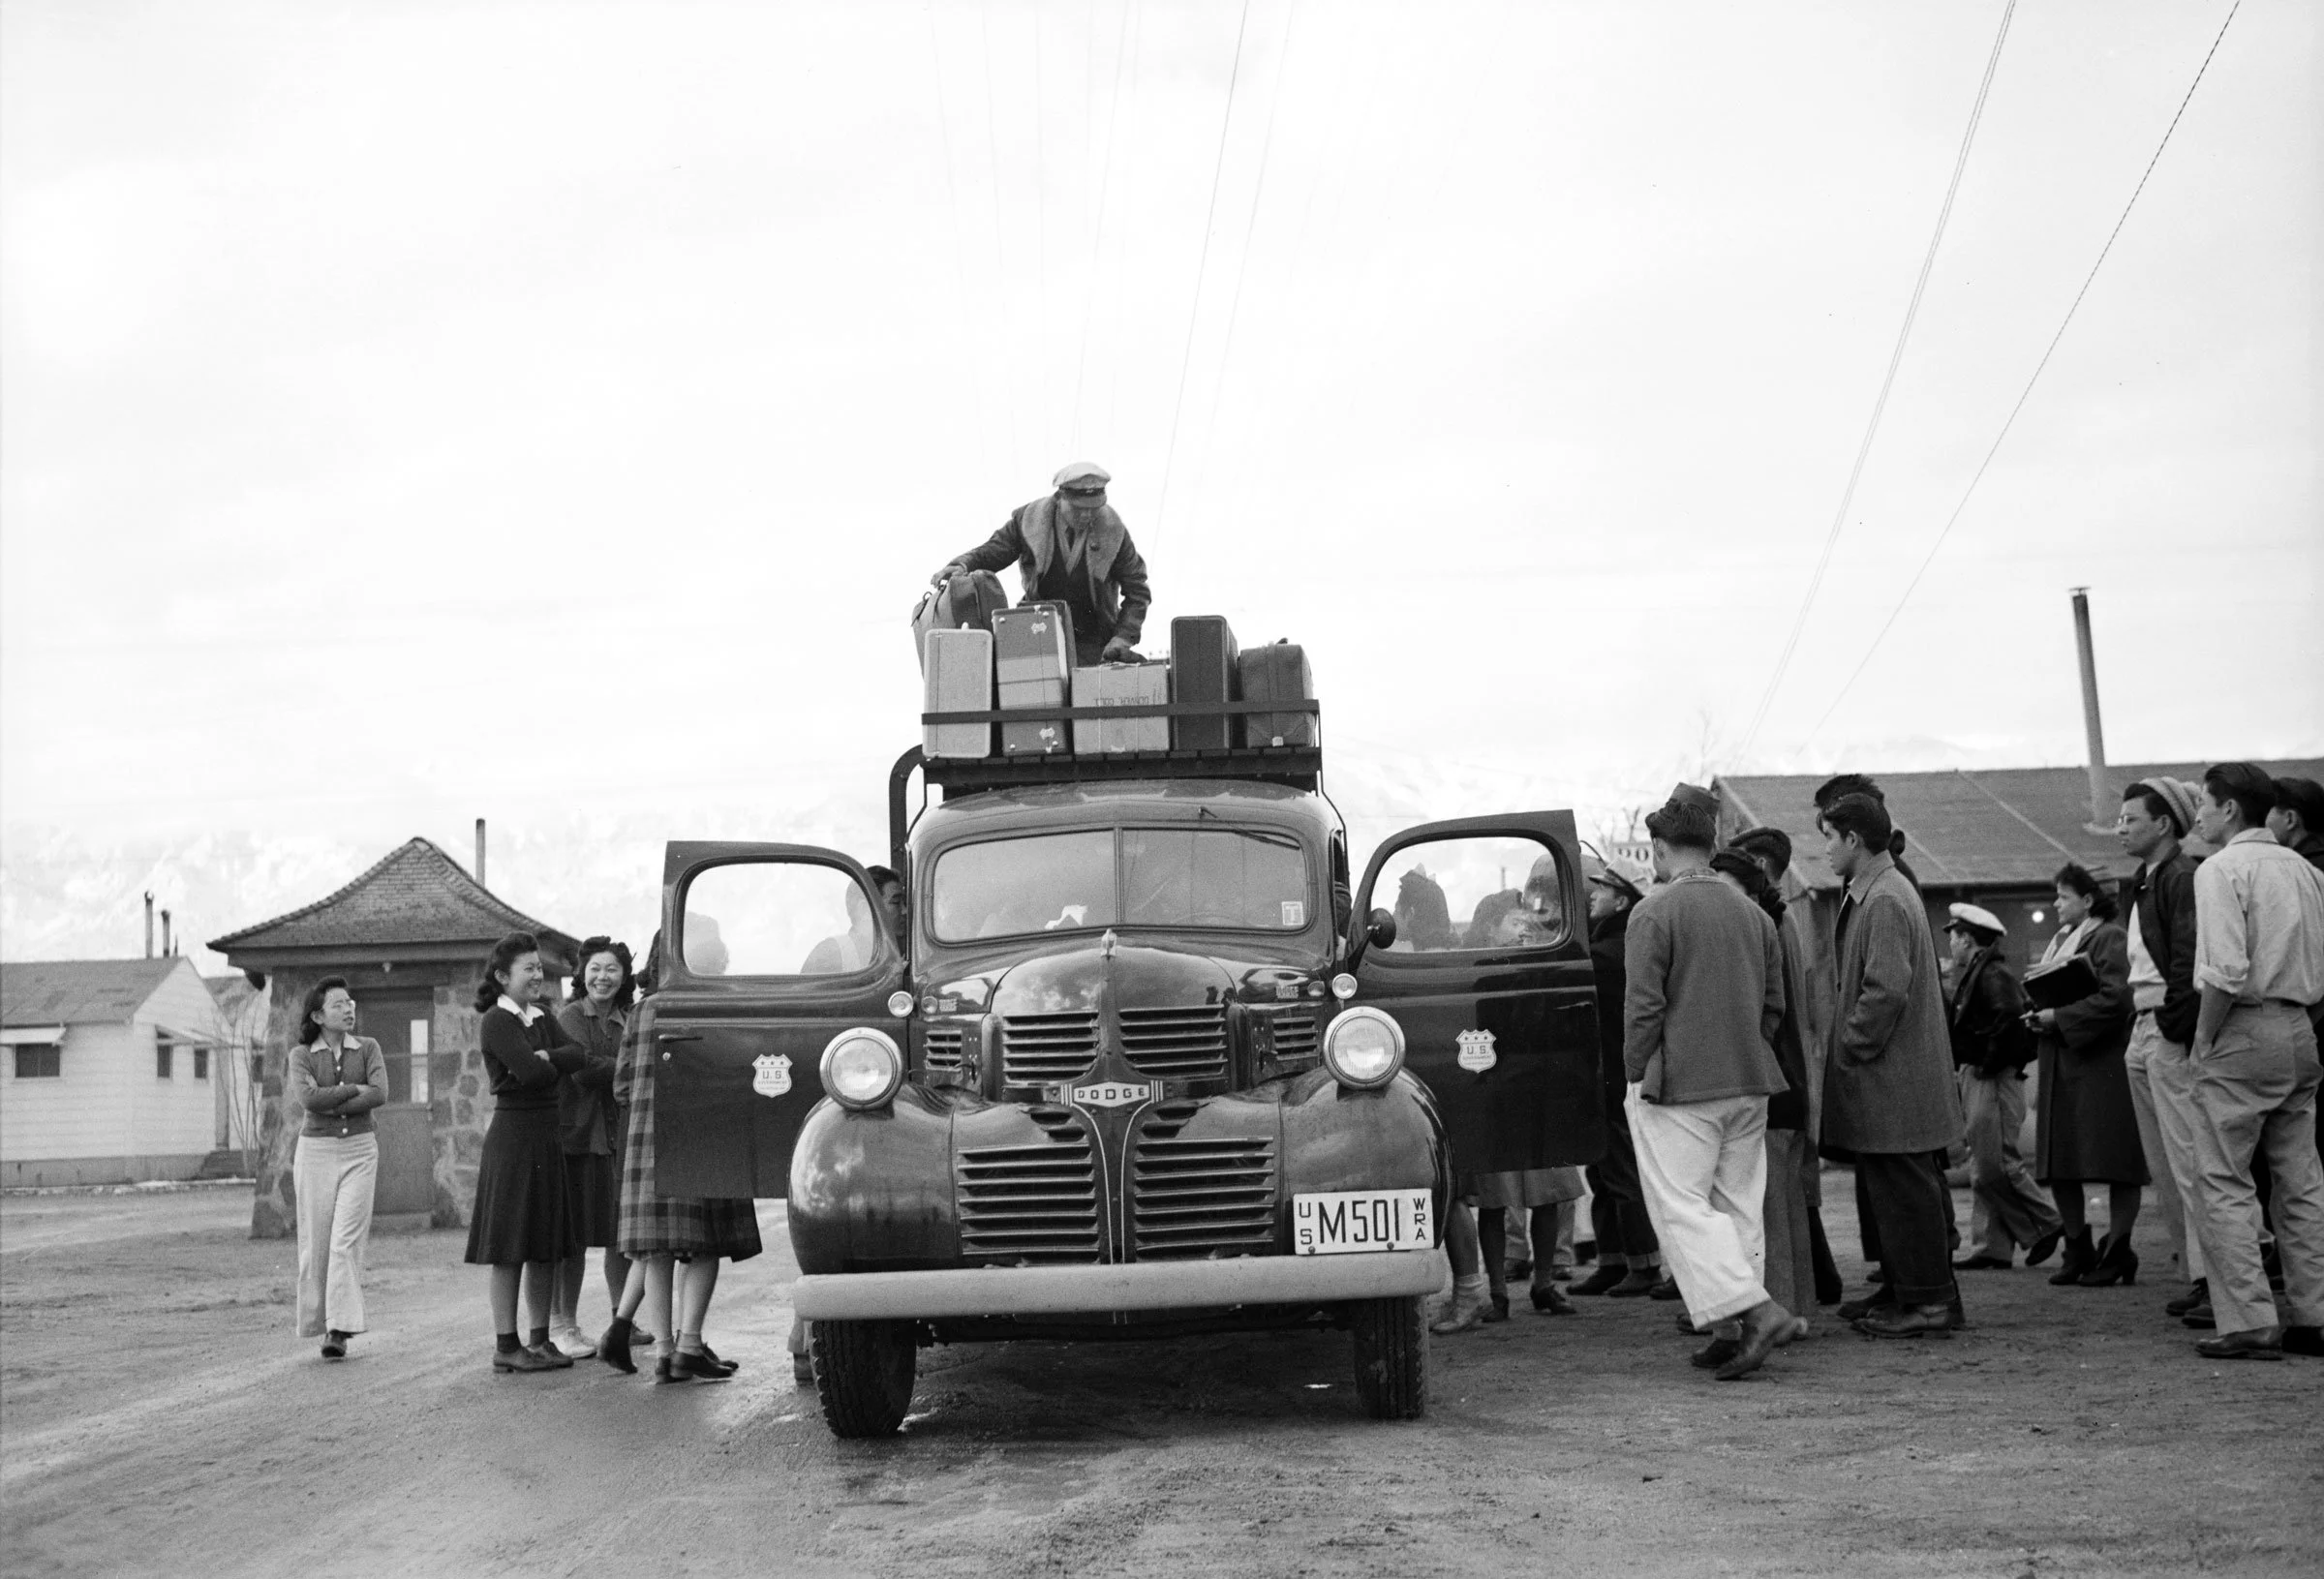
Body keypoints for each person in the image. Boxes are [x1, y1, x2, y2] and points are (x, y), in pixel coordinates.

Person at [1622, 784, 1794, 1380]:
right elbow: (1774, 1005)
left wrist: (1633, 1071)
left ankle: (1757, 1311)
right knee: (1737, 1207)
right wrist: (1749, 1047)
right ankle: (1733, 1329)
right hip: (1749, 1080)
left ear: (1661, 849)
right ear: (1713, 843)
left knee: (1681, 1208)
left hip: (1680, 1086)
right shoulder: (1753, 913)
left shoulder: (1653, 911)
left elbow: (1643, 1008)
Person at [2182, 763, 2324, 1359]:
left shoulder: (2221, 870)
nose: (2199, 816)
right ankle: (2315, 1314)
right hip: (2300, 1027)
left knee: (2222, 1178)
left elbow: (2224, 969)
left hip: (2240, 1025)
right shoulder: (2307, 871)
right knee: (2300, 1180)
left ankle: (2248, 1320)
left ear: (2231, 810)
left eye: (2204, 805)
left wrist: (2203, 1042)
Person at [1819, 793, 1965, 1339]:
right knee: (1896, 1191)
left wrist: (1850, 1046)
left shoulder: (1883, 897)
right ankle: (1906, 1289)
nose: (1826, 849)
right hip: (1891, 1076)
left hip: (1893, 1077)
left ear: (1854, 839)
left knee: (1907, 1193)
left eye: (1830, 837)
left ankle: (1928, 1303)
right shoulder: (1879, 889)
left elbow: (1884, 991)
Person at [607, 933, 763, 1382]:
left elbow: (620, 1086)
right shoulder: (713, 1005)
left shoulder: (640, 1010)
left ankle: (663, 1353)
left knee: (656, 1249)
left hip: (649, 1140)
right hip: (701, 1134)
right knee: (704, 1246)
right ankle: (690, 1345)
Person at [464, 932, 588, 1372]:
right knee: (510, 1244)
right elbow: (532, 1072)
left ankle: (539, 1340)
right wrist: (550, 1061)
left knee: (545, 1243)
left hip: (546, 1136)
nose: (537, 975)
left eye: (539, 967)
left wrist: (548, 1056)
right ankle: (507, 1345)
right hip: (514, 1139)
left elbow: (580, 1054)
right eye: (528, 968)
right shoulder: (497, 1022)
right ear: (502, 977)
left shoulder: (543, 1015)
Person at [1709, 848, 1817, 1335]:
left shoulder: (1756, 933)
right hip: (1785, 1079)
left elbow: (1763, 1015)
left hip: (1771, 1082)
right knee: (1783, 1205)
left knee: (1769, 1206)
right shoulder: (1775, 925)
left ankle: (1773, 1312)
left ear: (1752, 892)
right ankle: (1793, 1309)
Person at [2028, 863, 2147, 1288]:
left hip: (2100, 1066)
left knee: (2117, 1162)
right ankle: (2078, 1246)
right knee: (2062, 1162)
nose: (2057, 904)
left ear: (2089, 900)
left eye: (2064, 896)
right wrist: (2039, 1016)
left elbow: (2118, 998)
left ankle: (2117, 1250)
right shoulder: (2062, 941)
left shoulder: (2109, 937)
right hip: (2066, 1063)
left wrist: (2058, 1016)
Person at [2117, 777, 2210, 1314]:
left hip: (2166, 1026)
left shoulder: (2180, 877)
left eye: (2131, 818)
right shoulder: (2145, 878)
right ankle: (2196, 1271)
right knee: (2164, 1164)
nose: (2120, 826)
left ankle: (2210, 1276)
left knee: (2187, 1159)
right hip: (2144, 1024)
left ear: (2165, 824)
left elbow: (2189, 955)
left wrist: (2175, 1026)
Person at [933, 462, 1150, 666]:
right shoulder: (1028, 519)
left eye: (1094, 508)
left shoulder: (1115, 531)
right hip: (1036, 632)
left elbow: (1138, 591)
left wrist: (1122, 637)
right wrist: (962, 565)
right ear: (1059, 498)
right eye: (1077, 508)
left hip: (1094, 641)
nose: (1086, 515)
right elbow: (994, 551)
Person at [1942, 905, 2061, 1271]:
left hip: (1991, 1075)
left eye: (1954, 936)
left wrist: (1988, 1064)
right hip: (1985, 1072)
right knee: (1985, 1161)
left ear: (1966, 938)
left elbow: (2008, 1020)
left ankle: (2045, 1224)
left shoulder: (1991, 973)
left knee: (1995, 1164)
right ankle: (1991, 1246)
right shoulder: (1985, 972)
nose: (1951, 943)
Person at [1569, 852, 1666, 1299]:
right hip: (1606, 1075)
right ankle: (1613, 1260)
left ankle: (1643, 1265)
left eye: (1604, 889)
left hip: (1614, 1076)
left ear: (1623, 901)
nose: (1596, 895)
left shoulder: (1611, 953)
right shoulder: (1610, 943)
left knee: (1622, 1173)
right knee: (1602, 1172)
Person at [287, 977, 388, 1360]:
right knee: (317, 1244)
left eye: (351, 1003)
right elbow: (309, 1100)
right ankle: (317, 1322)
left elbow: (380, 1093)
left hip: (361, 1150)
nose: (349, 1009)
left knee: (345, 1241)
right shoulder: (301, 1056)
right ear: (318, 1015)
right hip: (315, 1153)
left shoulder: (369, 1048)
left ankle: (338, 1329)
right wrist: (352, 1091)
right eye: (338, 1005)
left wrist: (334, 1097)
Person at [550, 937, 634, 1359]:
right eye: (596, 969)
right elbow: (581, 1070)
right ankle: (564, 1324)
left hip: (618, 1136)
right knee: (577, 1236)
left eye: (612, 970)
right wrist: (625, 1068)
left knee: (619, 1232)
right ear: (583, 975)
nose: (603, 977)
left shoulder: (627, 1019)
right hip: (578, 1137)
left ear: (624, 977)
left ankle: (623, 1317)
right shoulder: (569, 1015)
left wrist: (616, 1069)